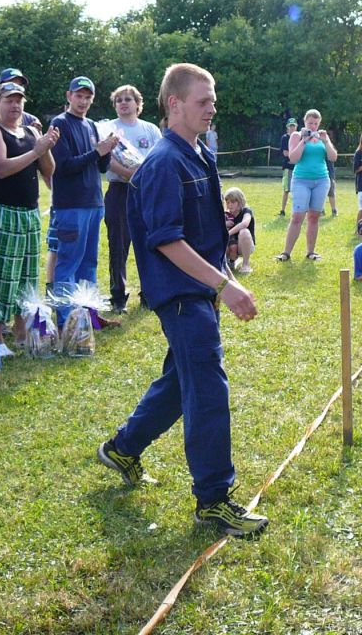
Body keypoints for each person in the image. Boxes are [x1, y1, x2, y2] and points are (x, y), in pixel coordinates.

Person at [97, 63, 268, 538]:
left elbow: (207, 235)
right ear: (174, 104)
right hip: (179, 295)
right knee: (208, 388)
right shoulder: (164, 164)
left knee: (182, 380)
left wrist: (223, 278)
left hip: (201, 292)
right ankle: (213, 500)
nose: (212, 108)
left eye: (213, 100)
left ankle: (123, 449)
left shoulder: (200, 154)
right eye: (202, 101)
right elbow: (168, 240)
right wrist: (224, 286)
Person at [0, 82, 59, 353]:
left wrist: (45, 146)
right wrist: (36, 151)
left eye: (19, 101)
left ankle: (21, 331)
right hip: (3, 212)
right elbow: (0, 168)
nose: (15, 106)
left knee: (26, 275)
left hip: (30, 212)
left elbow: (49, 170)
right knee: (3, 276)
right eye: (9, 100)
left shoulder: (30, 131)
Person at [49, 77, 116, 311]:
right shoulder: (60, 123)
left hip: (94, 202)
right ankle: (66, 318)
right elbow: (64, 166)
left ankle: (87, 315)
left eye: (88, 97)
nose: (83, 101)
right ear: (69, 96)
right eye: (79, 96)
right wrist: (97, 151)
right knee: (69, 262)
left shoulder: (92, 126)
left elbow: (102, 167)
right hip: (71, 204)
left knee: (89, 262)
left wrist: (108, 149)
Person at [103, 84, 162, 313]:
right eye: (119, 100)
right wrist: (129, 173)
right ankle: (118, 297)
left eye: (128, 99)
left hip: (146, 192)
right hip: (119, 191)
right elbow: (106, 159)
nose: (123, 103)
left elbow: (159, 158)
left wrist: (143, 176)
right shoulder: (108, 128)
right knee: (118, 245)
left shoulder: (150, 129)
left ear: (138, 104)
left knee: (149, 243)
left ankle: (149, 294)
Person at [275, 109, 337, 262]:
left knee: (314, 217)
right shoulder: (296, 136)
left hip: (321, 180)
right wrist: (304, 140)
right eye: (310, 123)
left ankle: (311, 252)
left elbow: (333, 157)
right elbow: (293, 158)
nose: (313, 126)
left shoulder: (322, 137)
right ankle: (286, 252)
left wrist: (326, 141)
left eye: (316, 123)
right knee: (297, 216)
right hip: (301, 180)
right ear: (304, 122)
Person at [224, 187, 255, 274]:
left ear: (240, 201)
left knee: (244, 232)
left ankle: (245, 265)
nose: (230, 205)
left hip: (244, 245)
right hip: (229, 245)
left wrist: (228, 233)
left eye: (233, 202)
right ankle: (226, 262)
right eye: (228, 202)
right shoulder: (226, 215)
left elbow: (245, 223)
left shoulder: (246, 211)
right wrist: (225, 224)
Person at [278, 118, 297, 216]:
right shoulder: (285, 138)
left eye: (293, 126)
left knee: (298, 190)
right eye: (290, 126)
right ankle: (282, 210)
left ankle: (297, 211)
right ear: (287, 127)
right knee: (286, 189)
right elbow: (285, 153)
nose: (292, 128)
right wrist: (296, 156)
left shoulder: (299, 138)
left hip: (298, 168)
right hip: (288, 167)